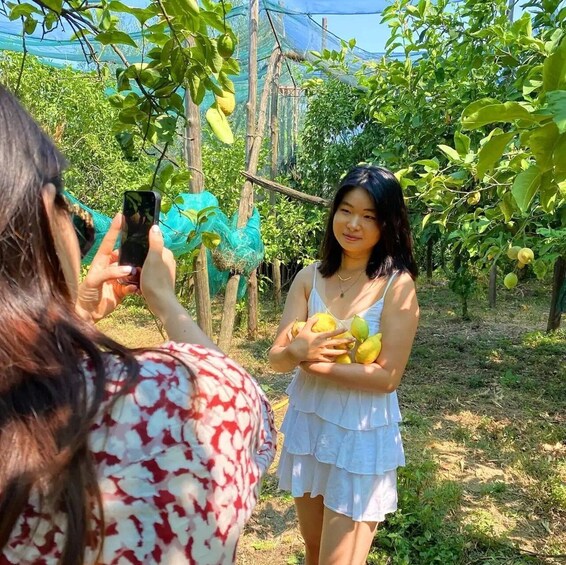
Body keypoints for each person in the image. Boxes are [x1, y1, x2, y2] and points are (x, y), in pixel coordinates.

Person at [0, 84, 276, 564]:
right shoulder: (158, 407)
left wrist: (75, 314)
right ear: (44, 211)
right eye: (67, 206)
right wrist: (165, 300)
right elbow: (239, 400)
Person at [269, 165, 419, 565]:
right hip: (311, 425)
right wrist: (298, 352)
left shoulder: (396, 286)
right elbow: (277, 358)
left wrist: (318, 367)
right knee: (314, 549)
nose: (354, 224)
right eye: (346, 210)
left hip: (360, 432)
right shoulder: (308, 278)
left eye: (369, 216)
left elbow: (388, 376)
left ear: (388, 223)